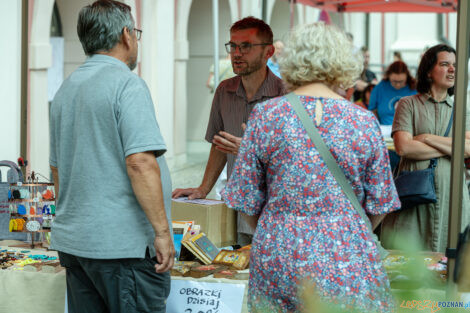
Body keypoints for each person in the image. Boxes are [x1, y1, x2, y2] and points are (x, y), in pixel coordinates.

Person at [222, 22, 400, 312]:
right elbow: (380, 202)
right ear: (344, 62)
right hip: (346, 252)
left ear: (292, 61)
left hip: (278, 251)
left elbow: (245, 200)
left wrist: (278, 224)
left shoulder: (266, 116)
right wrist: (348, 226)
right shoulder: (363, 122)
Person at [49, 1, 175, 312]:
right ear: (127, 35)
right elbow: (140, 163)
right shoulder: (127, 84)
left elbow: (57, 169)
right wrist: (162, 233)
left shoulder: (68, 87)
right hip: (122, 249)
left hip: (77, 243)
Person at [172, 17, 286, 246]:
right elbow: (218, 144)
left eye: (246, 46)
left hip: (275, 215)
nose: (237, 53)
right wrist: (203, 188)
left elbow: (295, 158)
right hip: (236, 212)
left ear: (268, 52)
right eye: (233, 46)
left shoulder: (284, 95)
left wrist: (251, 150)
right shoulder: (224, 91)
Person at [381, 44, 470, 253]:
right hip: (415, 193)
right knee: (410, 257)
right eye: (445, 64)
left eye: (455, 65)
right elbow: (404, 148)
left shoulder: (461, 109)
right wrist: (451, 147)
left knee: (449, 257)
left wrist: (427, 138)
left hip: (452, 192)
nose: (452, 70)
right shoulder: (408, 104)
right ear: (429, 71)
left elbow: (468, 149)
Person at [368, 61, 417, 125]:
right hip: (385, 128)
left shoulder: (414, 89)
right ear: (388, 77)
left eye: (401, 81)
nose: (398, 85)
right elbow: (372, 110)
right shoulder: (380, 88)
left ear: (407, 78)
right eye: (394, 81)